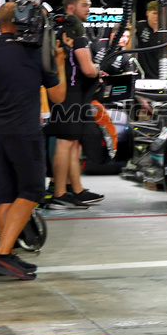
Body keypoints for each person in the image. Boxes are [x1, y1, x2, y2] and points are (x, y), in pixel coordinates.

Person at [0, 3, 67, 278]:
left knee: (6, 196)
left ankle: (8, 253)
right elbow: (58, 96)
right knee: (31, 192)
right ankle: (2, 254)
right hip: (24, 131)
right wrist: (59, 63)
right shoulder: (35, 51)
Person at [45, 11, 102, 209]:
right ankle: (59, 192)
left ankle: (72, 190)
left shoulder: (54, 36)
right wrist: (97, 70)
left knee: (71, 143)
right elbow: (87, 69)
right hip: (68, 93)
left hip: (66, 92)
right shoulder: (73, 38)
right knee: (65, 142)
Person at [135, 0, 167, 79]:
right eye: (154, 13)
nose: (157, 16)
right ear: (147, 13)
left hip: (160, 74)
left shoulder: (165, 32)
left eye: (159, 14)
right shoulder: (140, 26)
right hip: (141, 74)